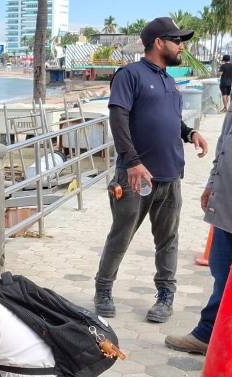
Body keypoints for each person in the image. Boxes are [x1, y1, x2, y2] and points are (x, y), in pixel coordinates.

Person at [93, 17, 208, 323]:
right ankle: (103, 289)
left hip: (170, 176)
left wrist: (189, 134)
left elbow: (170, 120)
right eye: (177, 40)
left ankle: (165, 296)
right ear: (159, 42)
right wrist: (131, 162)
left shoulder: (170, 81)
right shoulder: (129, 76)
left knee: (168, 240)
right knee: (120, 236)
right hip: (135, 177)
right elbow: (118, 120)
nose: (181, 46)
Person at [165, 112, 232, 354]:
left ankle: (210, 333)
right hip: (226, 201)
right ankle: (207, 333)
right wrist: (212, 184)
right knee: (221, 269)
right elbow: (224, 146)